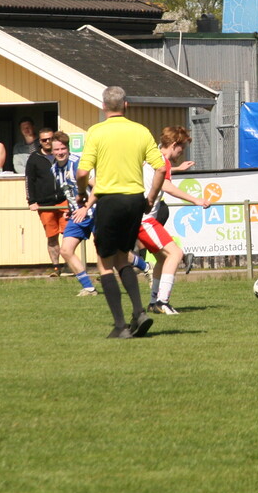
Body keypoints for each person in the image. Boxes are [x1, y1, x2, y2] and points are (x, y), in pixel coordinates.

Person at [77, 86, 166, 339]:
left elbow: (82, 172)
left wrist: (81, 194)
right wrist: (150, 199)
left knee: (104, 263)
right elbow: (161, 169)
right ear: (126, 105)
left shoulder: (96, 132)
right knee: (123, 258)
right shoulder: (141, 131)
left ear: (103, 106)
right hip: (135, 200)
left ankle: (120, 326)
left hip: (110, 200)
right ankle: (139, 313)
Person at [127, 126, 211, 314]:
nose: (182, 152)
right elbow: (167, 186)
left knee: (162, 258)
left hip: (139, 217)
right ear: (173, 145)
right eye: (182, 147)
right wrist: (195, 200)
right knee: (176, 254)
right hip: (145, 220)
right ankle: (162, 302)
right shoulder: (161, 161)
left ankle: (153, 302)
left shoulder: (151, 155)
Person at [51, 132, 103, 296]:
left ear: (68, 148)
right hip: (78, 215)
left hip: (95, 211)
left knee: (110, 252)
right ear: (52, 151)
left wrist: (85, 208)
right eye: (56, 149)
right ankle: (89, 288)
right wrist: (70, 209)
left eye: (63, 148)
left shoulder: (78, 163)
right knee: (66, 250)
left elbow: (98, 187)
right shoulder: (54, 169)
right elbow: (69, 192)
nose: (60, 152)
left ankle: (145, 267)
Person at [24, 127, 67, 276]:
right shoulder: (34, 158)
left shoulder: (61, 154)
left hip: (64, 201)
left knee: (69, 234)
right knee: (52, 236)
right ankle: (56, 267)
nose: (47, 142)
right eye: (44, 140)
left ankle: (71, 263)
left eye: (50, 138)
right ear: (40, 141)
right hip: (45, 204)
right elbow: (29, 181)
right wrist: (31, 201)